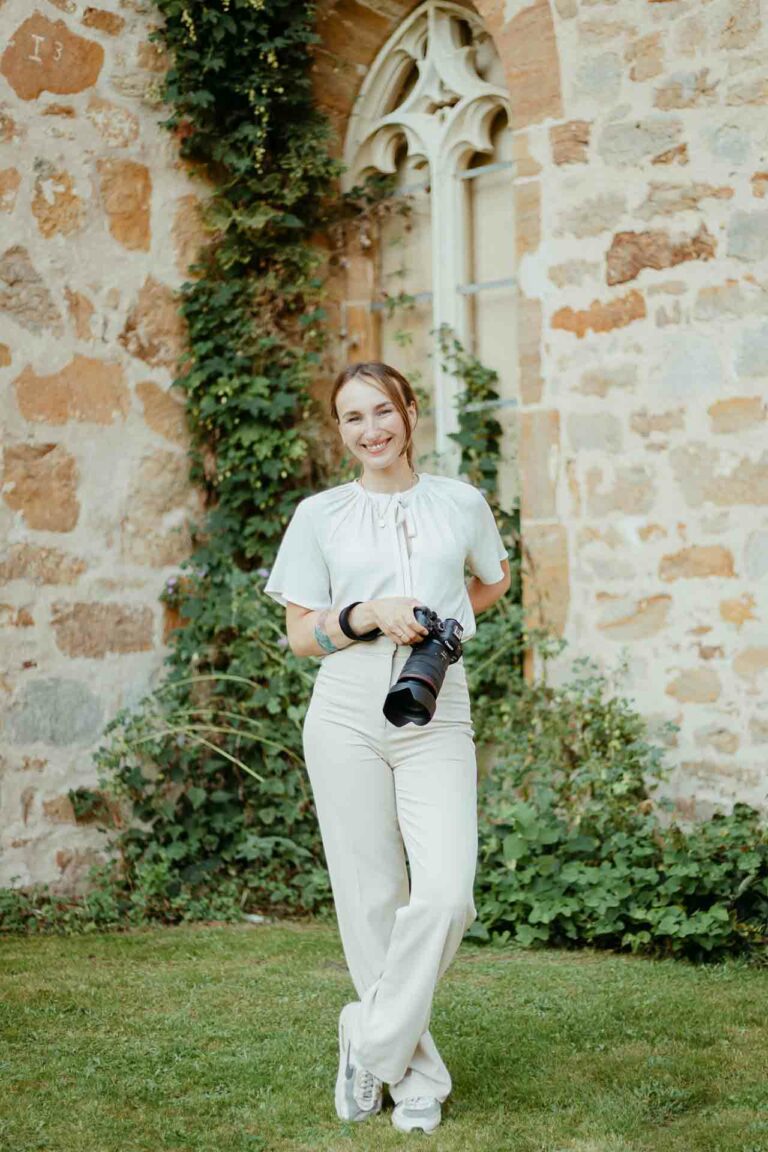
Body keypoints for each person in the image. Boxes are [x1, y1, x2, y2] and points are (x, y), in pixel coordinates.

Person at [264, 361, 511, 1134]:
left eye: (383, 411)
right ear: (340, 431)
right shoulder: (320, 515)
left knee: (446, 894)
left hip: (436, 706)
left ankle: (366, 1044)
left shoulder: (460, 502)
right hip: (345, 708)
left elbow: (492, 582)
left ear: (409, 410)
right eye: (352, 418)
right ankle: (412, 1080)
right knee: (370, 900)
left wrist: (444, 625)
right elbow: (301, 635)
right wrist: (367, 613)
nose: (371, 430)